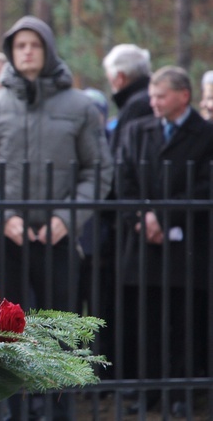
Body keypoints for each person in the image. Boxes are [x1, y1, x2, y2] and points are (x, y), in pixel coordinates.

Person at [0, 16, 113, 420]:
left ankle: (58, 410)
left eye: (34, 44)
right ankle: (14, 409)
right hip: (3, 235)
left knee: (59, 324)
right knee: (6, 326)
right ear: (11, 52)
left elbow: (98, 169)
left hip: (58, 236)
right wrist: (1, 216)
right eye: (20, 45)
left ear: (47, 50)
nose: (27, 51)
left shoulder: (78, 106)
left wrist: (68, 217)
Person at [117, 66, 213, 416]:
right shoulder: (136, 130)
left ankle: (181, 392)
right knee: (147, 321)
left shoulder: (205, 134)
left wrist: (165, 215)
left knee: (184, 321)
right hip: (144, 243)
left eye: (161, 96)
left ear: (183, 96)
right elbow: (123, 178)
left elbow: (205, 184)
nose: (153, 102)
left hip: (188, 245)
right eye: (152, 96)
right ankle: (149, 390)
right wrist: (142, 218)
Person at [103, 44, 154, 157]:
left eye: (109, 78)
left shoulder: (137, 105)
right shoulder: (149, 98)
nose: (110, 82)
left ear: (120, 77)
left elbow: (123, 153)